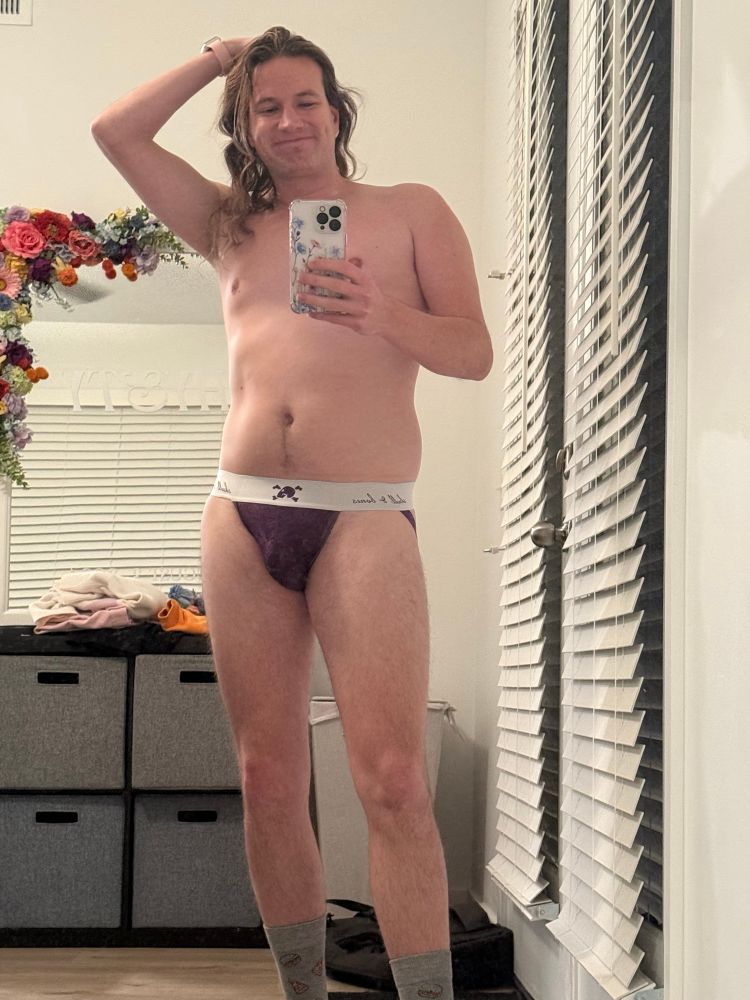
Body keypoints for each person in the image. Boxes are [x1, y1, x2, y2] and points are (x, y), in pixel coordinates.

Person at [91, 25, 492, 1000]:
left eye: (305, 100)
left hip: (362, 512)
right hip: (242, 514)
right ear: (245, 126)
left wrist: (379, 314)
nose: (287, 120)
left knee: (392, 779)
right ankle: (302, 991)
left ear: (337, 111)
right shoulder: (227, 224)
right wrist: (215, 60)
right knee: (267, 777)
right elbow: (116, 131)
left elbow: (473, 352)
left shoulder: (410, 211)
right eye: (264, 106)